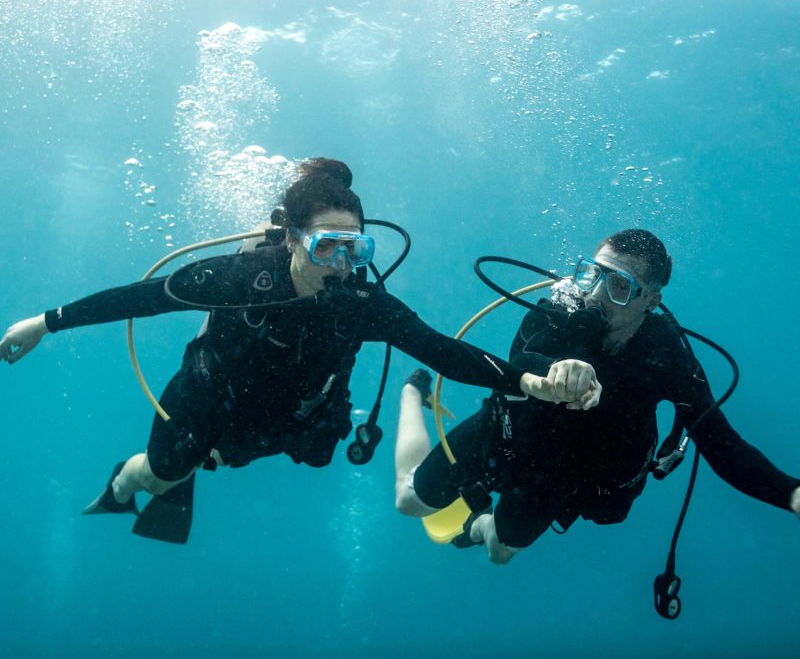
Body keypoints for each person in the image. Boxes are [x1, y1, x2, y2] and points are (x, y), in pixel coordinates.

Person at [0, 158, 600, 544]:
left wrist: (529, 382)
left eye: (355, 251)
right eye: (326, 248)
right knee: (161, 474)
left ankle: (203, 465)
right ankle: (124, 486)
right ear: (291, 237)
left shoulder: (362, 304)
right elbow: (147, 297)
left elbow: (444, 352)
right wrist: (45, 322)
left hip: (296, 418)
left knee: (308, 453)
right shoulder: (242, 278)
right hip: (212, 402)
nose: (341, 266)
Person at [395, 229, 800, 566]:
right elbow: (525, 358)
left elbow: (722, 446)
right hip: (506, 434)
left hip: (559, 471)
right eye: (593, 274)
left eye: (620, 286)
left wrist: (792, 494)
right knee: (409, 503)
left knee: (500, 551)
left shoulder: (665, 355)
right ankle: (413, 393)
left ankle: (480, 526)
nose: (596, 294)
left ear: (651, 300)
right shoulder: (557, 309)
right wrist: (560, 368)